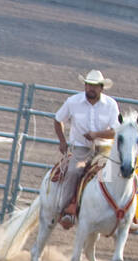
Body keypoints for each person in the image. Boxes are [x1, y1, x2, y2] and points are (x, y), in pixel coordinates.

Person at [53, 70, 119, 228]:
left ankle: (116, 212)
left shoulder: (111, 105)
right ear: (85, 85)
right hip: (81, 148)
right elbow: (58, 119)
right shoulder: (73, 102)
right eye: (89, 85)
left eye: (95, 86)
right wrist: (62, 141)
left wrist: (97, 134)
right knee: (75, 171)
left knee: (110, 175)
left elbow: (116, 130)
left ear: (101, 88)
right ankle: (67, 210)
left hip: (103, 148)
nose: (91, 88)